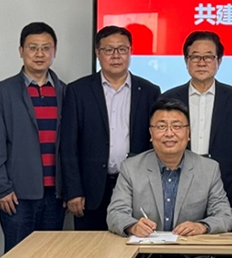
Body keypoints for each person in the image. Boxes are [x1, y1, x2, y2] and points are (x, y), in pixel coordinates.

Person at [59, 26, 160, 231]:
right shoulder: (78, 91)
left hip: (136, 187)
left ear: (130, 52)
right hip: (91, 189)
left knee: (135, 243)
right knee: (91, 248)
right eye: (108, 50)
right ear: (98, 53)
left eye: (122, 49)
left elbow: (155, 142)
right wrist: (74, 191)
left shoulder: (149, 91)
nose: (116, 56)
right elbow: (68, 144)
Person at [0, 22, 67, 252]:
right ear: (21, 51)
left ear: (54, 51)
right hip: (17, 196)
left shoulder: (65, 92)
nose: (39, 54)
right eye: (33, 47)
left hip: (56, 196)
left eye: (46, 48)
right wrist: (2, 188)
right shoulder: (4, 92)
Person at [107, 99, 232, 236]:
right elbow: (115, 213)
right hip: (145, 247)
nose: (169, 134)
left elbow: (225, 215)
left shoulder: (209, 169)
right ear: (151, 133)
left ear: (188, 133)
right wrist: (133, 226)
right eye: (161, 127)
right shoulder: (130, 168)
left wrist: (202, 226)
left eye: (177, 126)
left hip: (190, 247)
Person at [161, 31, 232, 220]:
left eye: (209, 57)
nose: (202, 62)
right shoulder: (169, 98)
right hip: (178, 181)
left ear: (219, 61)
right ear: (186, 61)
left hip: (225, 184)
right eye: (195, 57)